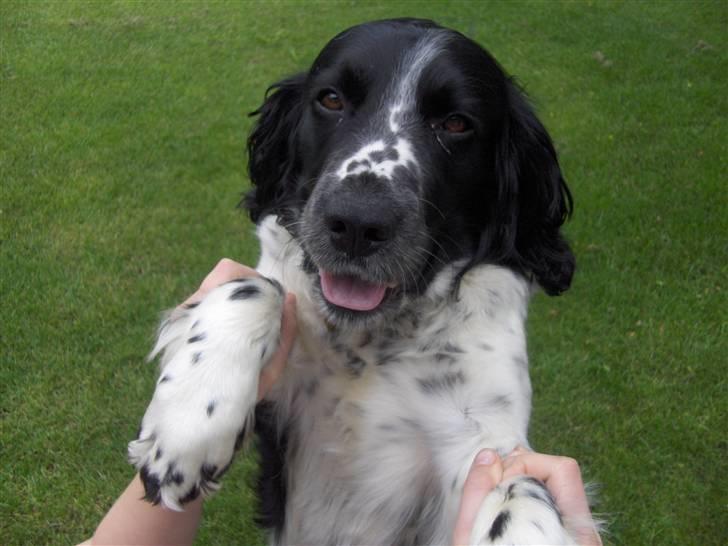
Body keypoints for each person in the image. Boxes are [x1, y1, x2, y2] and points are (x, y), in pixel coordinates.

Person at [81, 259, 602, 546]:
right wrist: (229, 330)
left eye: (454, 125)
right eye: (333, 102)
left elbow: (493, 467)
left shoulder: (487, 305)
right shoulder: (286, 291)